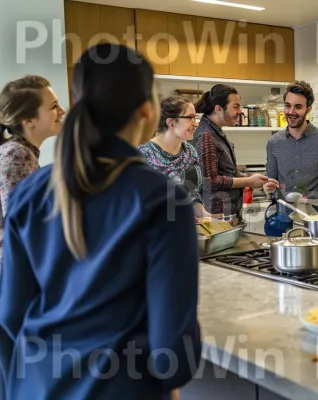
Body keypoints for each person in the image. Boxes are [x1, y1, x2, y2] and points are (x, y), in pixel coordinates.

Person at [0, 43, 202, 400]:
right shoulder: (163, 198)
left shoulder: (30, 191)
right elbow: (173, 352)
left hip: (33, 388)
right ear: (147, 109)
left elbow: (12, 315)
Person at [0, 75, 65, 266]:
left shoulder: (20, 152)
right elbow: (24, 225)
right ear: (28, 120)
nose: (62, 111)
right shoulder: (16, 155)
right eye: (53, 107)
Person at [263, 81, 318, 210]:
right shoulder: (274, 142)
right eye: (288, 106)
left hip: (317, 216)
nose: (291, 112)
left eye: (298, 107)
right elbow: (271, 178)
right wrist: (268, 186)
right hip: (283, 215)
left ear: (308, 108)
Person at [192, 84, 268, 218]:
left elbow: (227, 172)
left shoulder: (215, 132)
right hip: (217, 216)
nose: (240, 111)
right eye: (236, 106)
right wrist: (248, 182)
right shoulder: (206, 136)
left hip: (228, 214)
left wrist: (249, 177)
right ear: (218, 109)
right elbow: (210, 181)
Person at [138, 95, 220, 219]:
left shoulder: (190, 152)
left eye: (195, 117)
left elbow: (192, 195)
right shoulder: (145, 154)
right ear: (171, 123)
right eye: (190, 118)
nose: (196, 124)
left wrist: (205, 215)